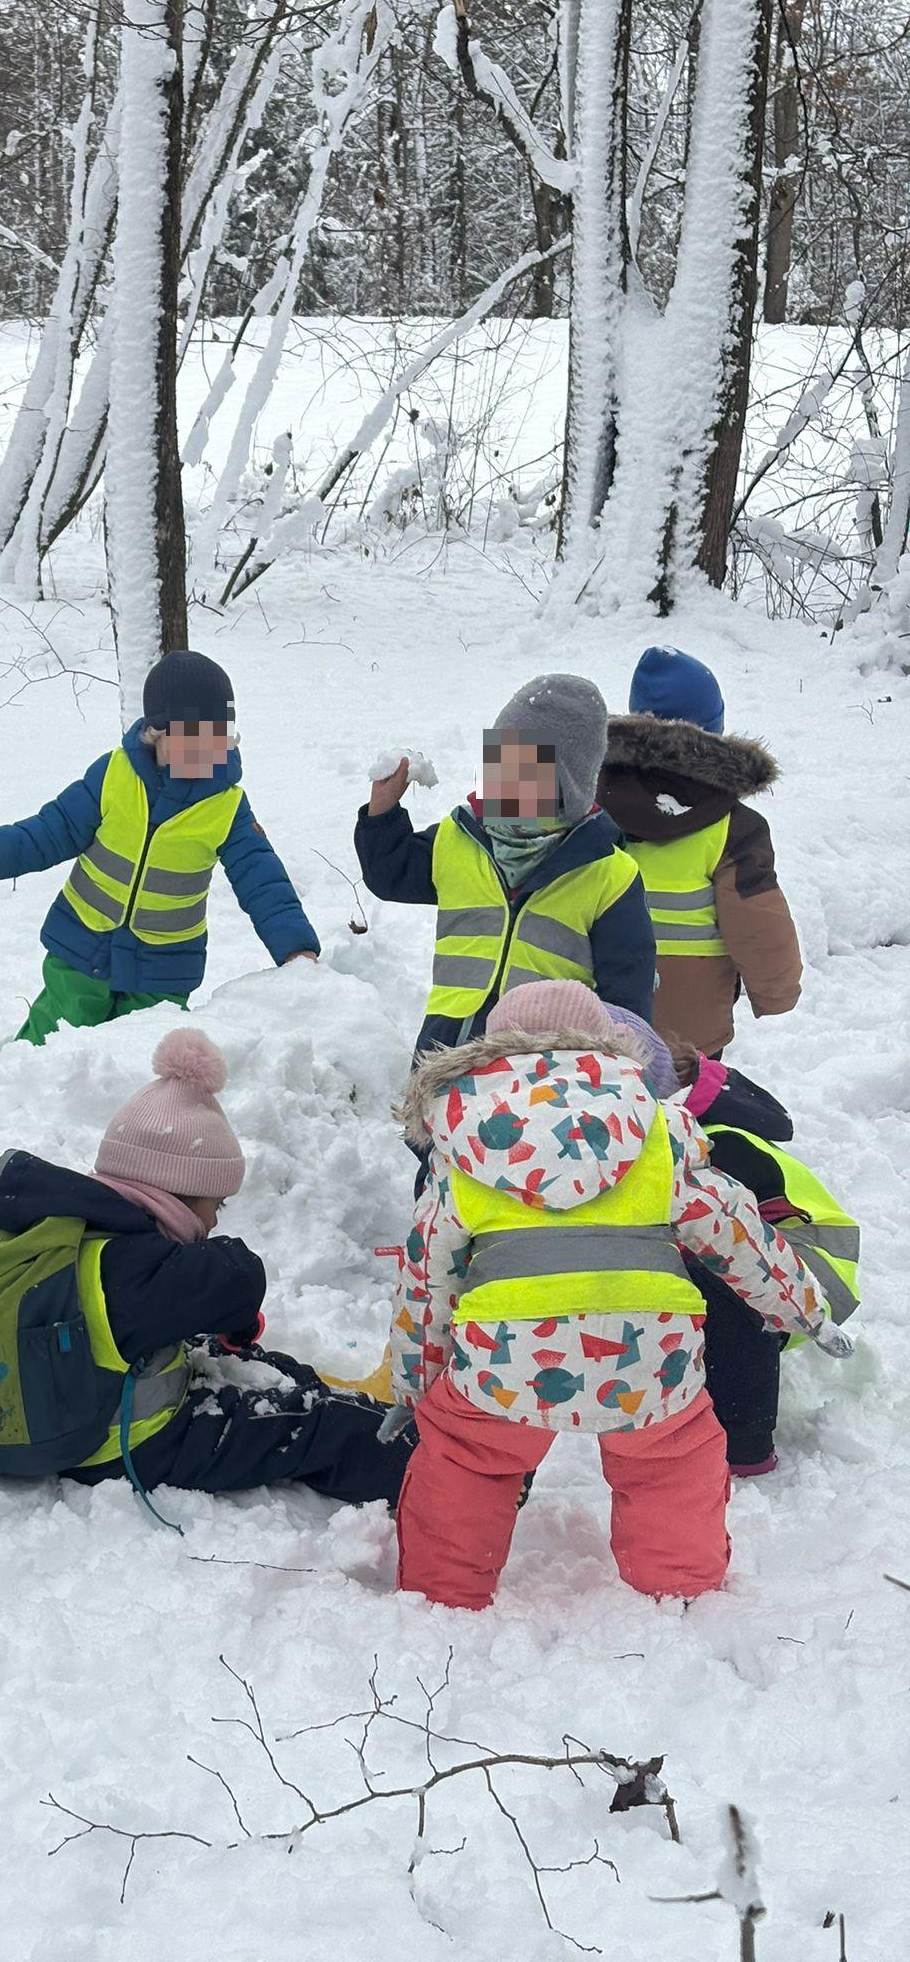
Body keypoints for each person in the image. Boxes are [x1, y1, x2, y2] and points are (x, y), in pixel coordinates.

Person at [388, 981, 848, 1610]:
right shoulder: (660, 1127)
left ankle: (442, 1597)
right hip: (649, 1347)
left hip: (506, 1352)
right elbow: (733, 1229)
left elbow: (426, 1271)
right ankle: (681, 1591)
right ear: (610, 1044)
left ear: (490, 1050)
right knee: (670, 1459)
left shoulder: (463, 1136)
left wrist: (417, 1384)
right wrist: (806, 1312)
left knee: (468, 1458)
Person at [0, 1028, 413, 1510]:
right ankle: (429, 1472)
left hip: (43, 1415)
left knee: (240, 1361)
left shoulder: (37, 1232)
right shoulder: (143, 1266)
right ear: (174, 1198)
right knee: (317, 1427)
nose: (213, 1220)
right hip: (124, 1446)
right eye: (215, 1205)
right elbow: (238, 1277)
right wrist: (236, 1316)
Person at [0, 651, 318, 1045]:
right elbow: (58, 826)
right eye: (194, 738)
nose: (209, 750)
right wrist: (3, 851)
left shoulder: (227, 805)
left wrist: (295, 948)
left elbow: (262, 881)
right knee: (56, 1035)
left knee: (140, 1052)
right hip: (84, 940)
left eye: (219, 737)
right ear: (158, 732)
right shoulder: (114, 773)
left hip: (164, 965)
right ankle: (16, 1094)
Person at [605, 1007, 860, 1477]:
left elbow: (743, 1247)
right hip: (776, 1258)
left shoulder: (715, 1143)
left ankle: (744, 1444)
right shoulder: (684, 1127)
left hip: (808, 1271)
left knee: (723, 1276)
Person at [354, 674, 654, 1068]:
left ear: (567, 785)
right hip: (446, 1052)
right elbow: (388, 873)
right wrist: (382, 814)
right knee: (428, 1132)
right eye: (498, 761)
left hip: (542, 1072)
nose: (501, 781)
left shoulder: (608, 875)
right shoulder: (460, 837)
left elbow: (628, 1004)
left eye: (523, 769)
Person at [597, 647, 802, 1054]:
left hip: (598, 1013)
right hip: (688, 1031)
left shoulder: (592, 802)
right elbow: (757, 920)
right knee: (685, 1114)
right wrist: (776, 991)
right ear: (715, 729)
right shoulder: (735, 827)